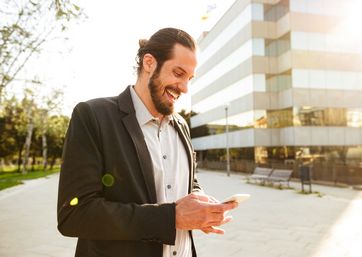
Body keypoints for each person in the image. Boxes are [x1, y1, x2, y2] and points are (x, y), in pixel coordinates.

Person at [57, 27, 238, 257]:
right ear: (149, 63)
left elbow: (188, 181)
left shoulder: (181, 125)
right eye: (178, 73)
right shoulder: (92, 116)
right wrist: (172, 217)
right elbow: (74, 215)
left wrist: (199, 203)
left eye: (190, 78)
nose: (184, 88)